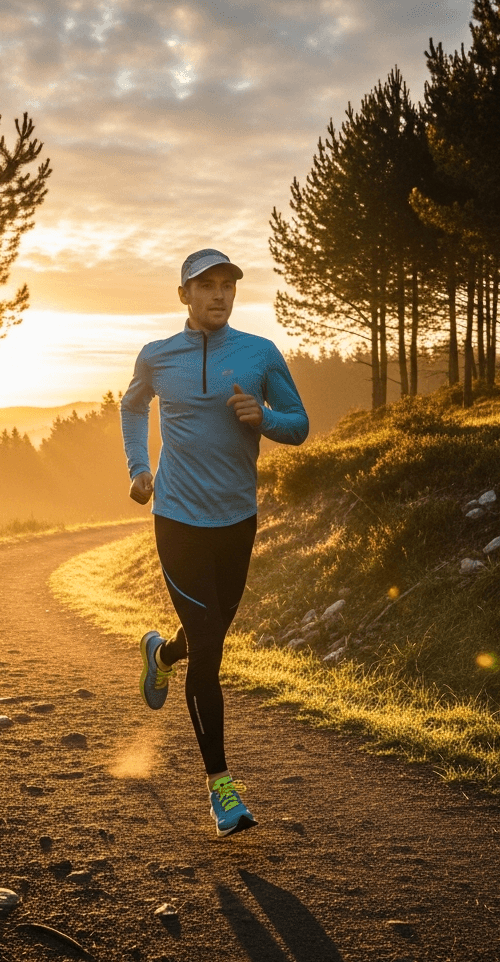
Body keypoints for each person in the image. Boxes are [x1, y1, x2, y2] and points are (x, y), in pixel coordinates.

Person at [120, 248, 309, 837]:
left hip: (237, 522)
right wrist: (138, 467)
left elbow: (299, 423)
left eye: (227, 285)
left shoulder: (260, 354)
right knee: (211, 648)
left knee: (208, 636)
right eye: (206, 286)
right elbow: (130, 408)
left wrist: (264, 419)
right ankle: (221, 788)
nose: (219, 295)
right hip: (176, 520)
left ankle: (161, 654)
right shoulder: (157, 356)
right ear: (185, 295)